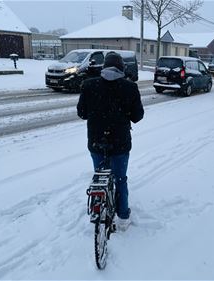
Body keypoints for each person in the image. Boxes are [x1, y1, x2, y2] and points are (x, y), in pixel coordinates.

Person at [77, 52, 144, 230]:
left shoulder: (89, 85)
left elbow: (82, 113)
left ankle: (98, 205)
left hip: (96, 141)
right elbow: (138, 116)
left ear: (103, 66)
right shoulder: (129, 87)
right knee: (120, 179)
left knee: (100, 175)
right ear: (122, 67)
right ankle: (122, 218)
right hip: (120, 142)